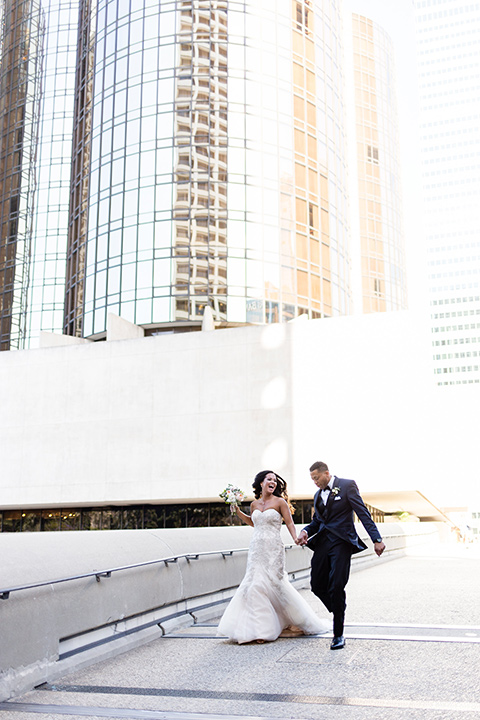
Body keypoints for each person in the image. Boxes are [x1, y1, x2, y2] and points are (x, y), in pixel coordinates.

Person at [217, 470, 330, 644]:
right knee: (254, 585)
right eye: (269, 479)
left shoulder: (280, 502)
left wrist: (296, 537)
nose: (273, 482)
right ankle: (259, 630)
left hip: (273, 549)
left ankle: (289, 621)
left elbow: (289, 522)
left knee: (275, 584)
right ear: (261, 483)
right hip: (256, 549)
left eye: (275, 480)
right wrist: (237, 511)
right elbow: (254, 523)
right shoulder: (254, 504)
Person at [296, 461, 385, 650]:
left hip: (342, 543)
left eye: (316, 478)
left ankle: (338, 634)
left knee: (337, 585)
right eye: (312, 479)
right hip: (322, 543)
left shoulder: (346, 485)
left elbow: (362, 512)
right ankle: (339, 608)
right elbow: (317, 522)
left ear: (326, 473)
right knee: (317, 585)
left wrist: (376, 539)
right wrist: (305, 531)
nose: (315, 482)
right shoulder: (318, 495)